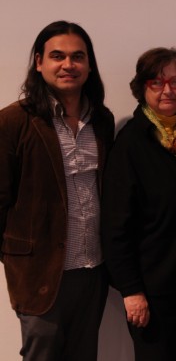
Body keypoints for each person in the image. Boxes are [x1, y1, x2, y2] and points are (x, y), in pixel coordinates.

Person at [0, 20, 114, 360]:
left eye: (78, 56)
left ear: (89, 65)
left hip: (92, 269)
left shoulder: (102, 120)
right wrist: (16, 260)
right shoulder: (13, 121)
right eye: (57, 56)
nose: (68, 65)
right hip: (39, 273)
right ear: (39, 62)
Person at [101, 47, 176, 360]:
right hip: (153, 288)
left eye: (175, 82)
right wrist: (131, 290)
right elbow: (115, 225)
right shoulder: (131, 142)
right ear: (142, 88)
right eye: (156, 82)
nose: (167, 90)